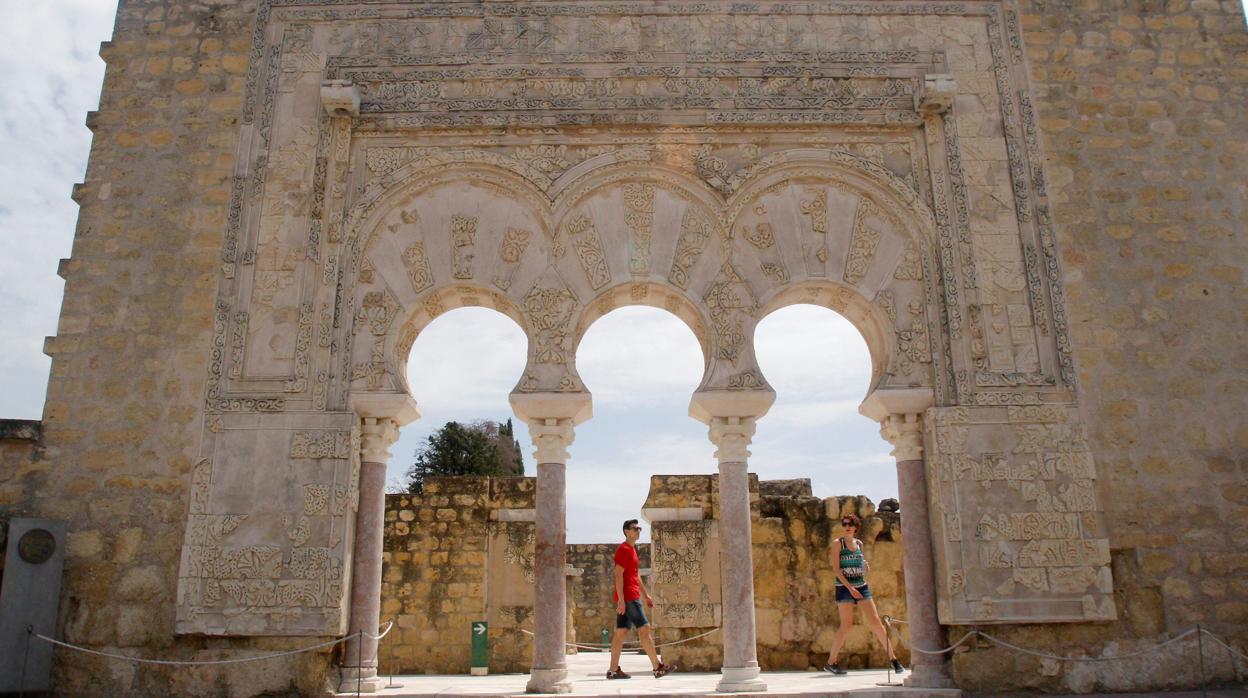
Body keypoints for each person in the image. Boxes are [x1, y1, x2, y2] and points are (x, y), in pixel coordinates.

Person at [823, 513, 905, 675]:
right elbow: (836, 569)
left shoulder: (859, 544)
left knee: (876, 623)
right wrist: (849, 587)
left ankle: (893, 659)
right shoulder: (838, 544)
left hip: (861, 585)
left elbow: (860, 567)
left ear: (855, 527)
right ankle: (831, 661)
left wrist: (865, 568)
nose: (847, 527)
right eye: (845, 524)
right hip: (844, 587)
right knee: (846, 625)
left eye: (850, 525)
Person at [606, 519, 676, 680]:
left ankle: (613, 670)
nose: (638, 531)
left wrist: (646, 596)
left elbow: (635, 575)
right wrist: (622, 600)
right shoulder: (623, 549)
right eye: (634, 528)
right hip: (629, 597)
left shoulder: (631, 549)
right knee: (644, 629)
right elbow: (618, 574)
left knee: (621, 632)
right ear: (626, 531)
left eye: (639, 528)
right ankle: (657, 667)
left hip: (633, 595)